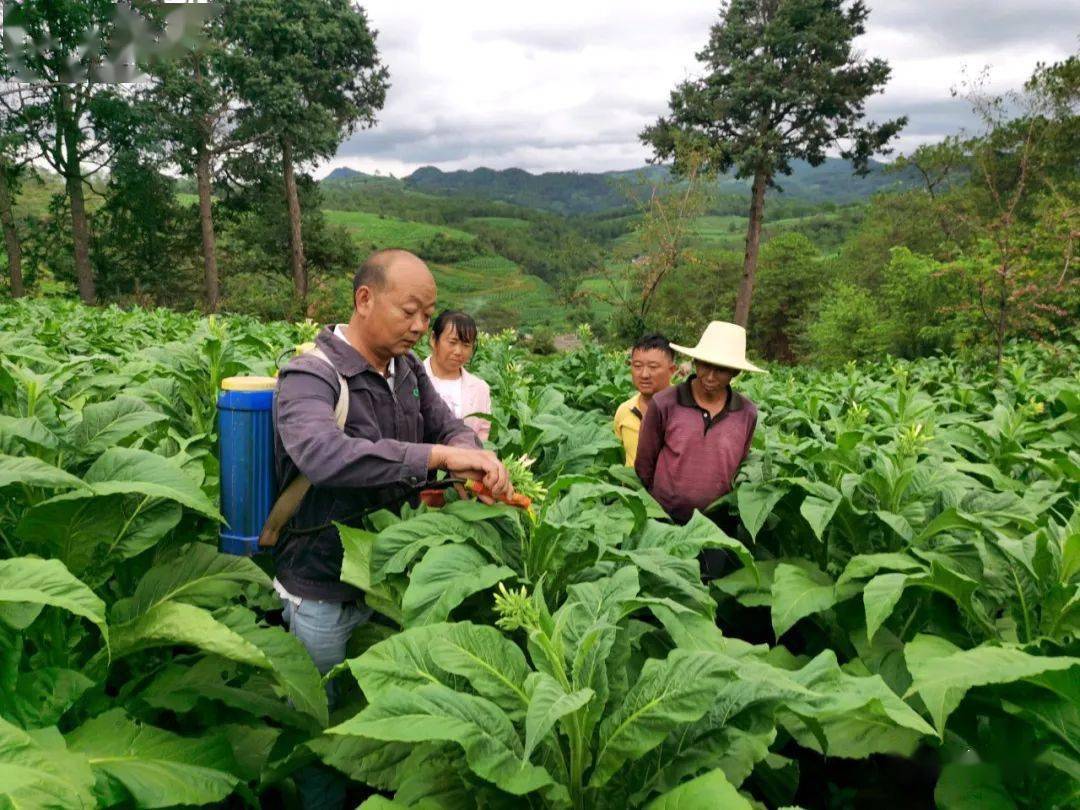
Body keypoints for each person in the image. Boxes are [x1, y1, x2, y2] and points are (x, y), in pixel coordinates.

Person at [272, 248, 514, 808]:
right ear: (364, 299)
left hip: (388, 586)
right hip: (323, 588)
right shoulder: (310, 374)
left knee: (381, 724)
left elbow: (449, 426)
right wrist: (435, 457)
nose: (420, 327)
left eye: (428, 316)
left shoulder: (405, 370)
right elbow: (323, 454)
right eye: (410, 312)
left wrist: (467, 454)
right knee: (325, 728)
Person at [635, 321, 762, 576]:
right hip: (666, 522)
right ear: (695, 363)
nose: (711, 376)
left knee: (708, 589)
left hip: (715, 527)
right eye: (704, 365)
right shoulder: (665, 403)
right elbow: (644, 465)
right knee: (664, 586)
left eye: (722, 369)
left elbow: (737, 464)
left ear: (735, 372)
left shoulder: (746, 413)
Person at [423, 309, 492, 442]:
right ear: (433, 339)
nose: (458, 351)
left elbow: (482, 438)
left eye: (466, 345)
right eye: (452, 342)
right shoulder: (410, 379)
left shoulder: (480, 388)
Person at [613, 333, 676, 466]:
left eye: (653, 367)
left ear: (672, 370)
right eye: (637, 366)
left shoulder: (686, 410)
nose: (644, 374)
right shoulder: (624, 411)